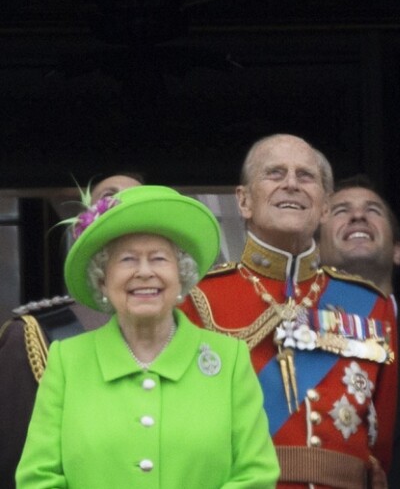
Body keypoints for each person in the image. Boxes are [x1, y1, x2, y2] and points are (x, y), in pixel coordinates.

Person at [16, 185, 279, 488]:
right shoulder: (68, 361)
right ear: (102, 281)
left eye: (159, 259)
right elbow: (37, 478)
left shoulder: (229, 359)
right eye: (127, 259)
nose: (144, 272)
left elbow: (256, 474)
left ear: (182, 277)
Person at [180, 134, 398, 489]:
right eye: (275, 173)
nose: (291, 184)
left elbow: (381, 445)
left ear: (325, 207)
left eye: (305, 176)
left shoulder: (372, 306)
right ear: (244, 200)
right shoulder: (199, 298)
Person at [0, 174, 142, 489]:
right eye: (110, 197)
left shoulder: (198, 330)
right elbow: (15, 465)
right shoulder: (37, 335)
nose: (124, 207)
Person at [318, 175, 400, 489]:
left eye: (372, 210)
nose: (358, 216)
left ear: (398, 251)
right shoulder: (291, 335)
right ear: (317, 252)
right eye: (341, 211)